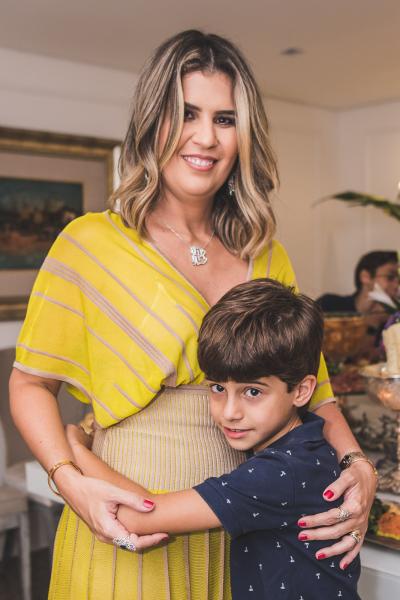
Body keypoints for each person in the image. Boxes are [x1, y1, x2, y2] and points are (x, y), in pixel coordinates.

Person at [9, 30, 376, 599]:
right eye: (186, 113)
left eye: (225, 119)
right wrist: (70, 480)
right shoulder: (89, 244)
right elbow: (30, 383)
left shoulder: (266, 254)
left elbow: (316, 391)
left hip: (243, 526)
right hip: (123, 512)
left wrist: (358, 464)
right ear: (152, 122)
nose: (206, 137)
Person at [66, 279, 362, 600]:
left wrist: (77, 450)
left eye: (252, 392)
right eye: (218, 388)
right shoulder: (306, 443)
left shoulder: (278, 472)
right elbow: (149, 504)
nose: (229, 412)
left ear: (302, 390)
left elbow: (138, 517)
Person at [317, 250, 399, 321]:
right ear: (365, 277)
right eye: (390, 277)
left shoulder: (395, 318)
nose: (397, 286)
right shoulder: (328, 305)